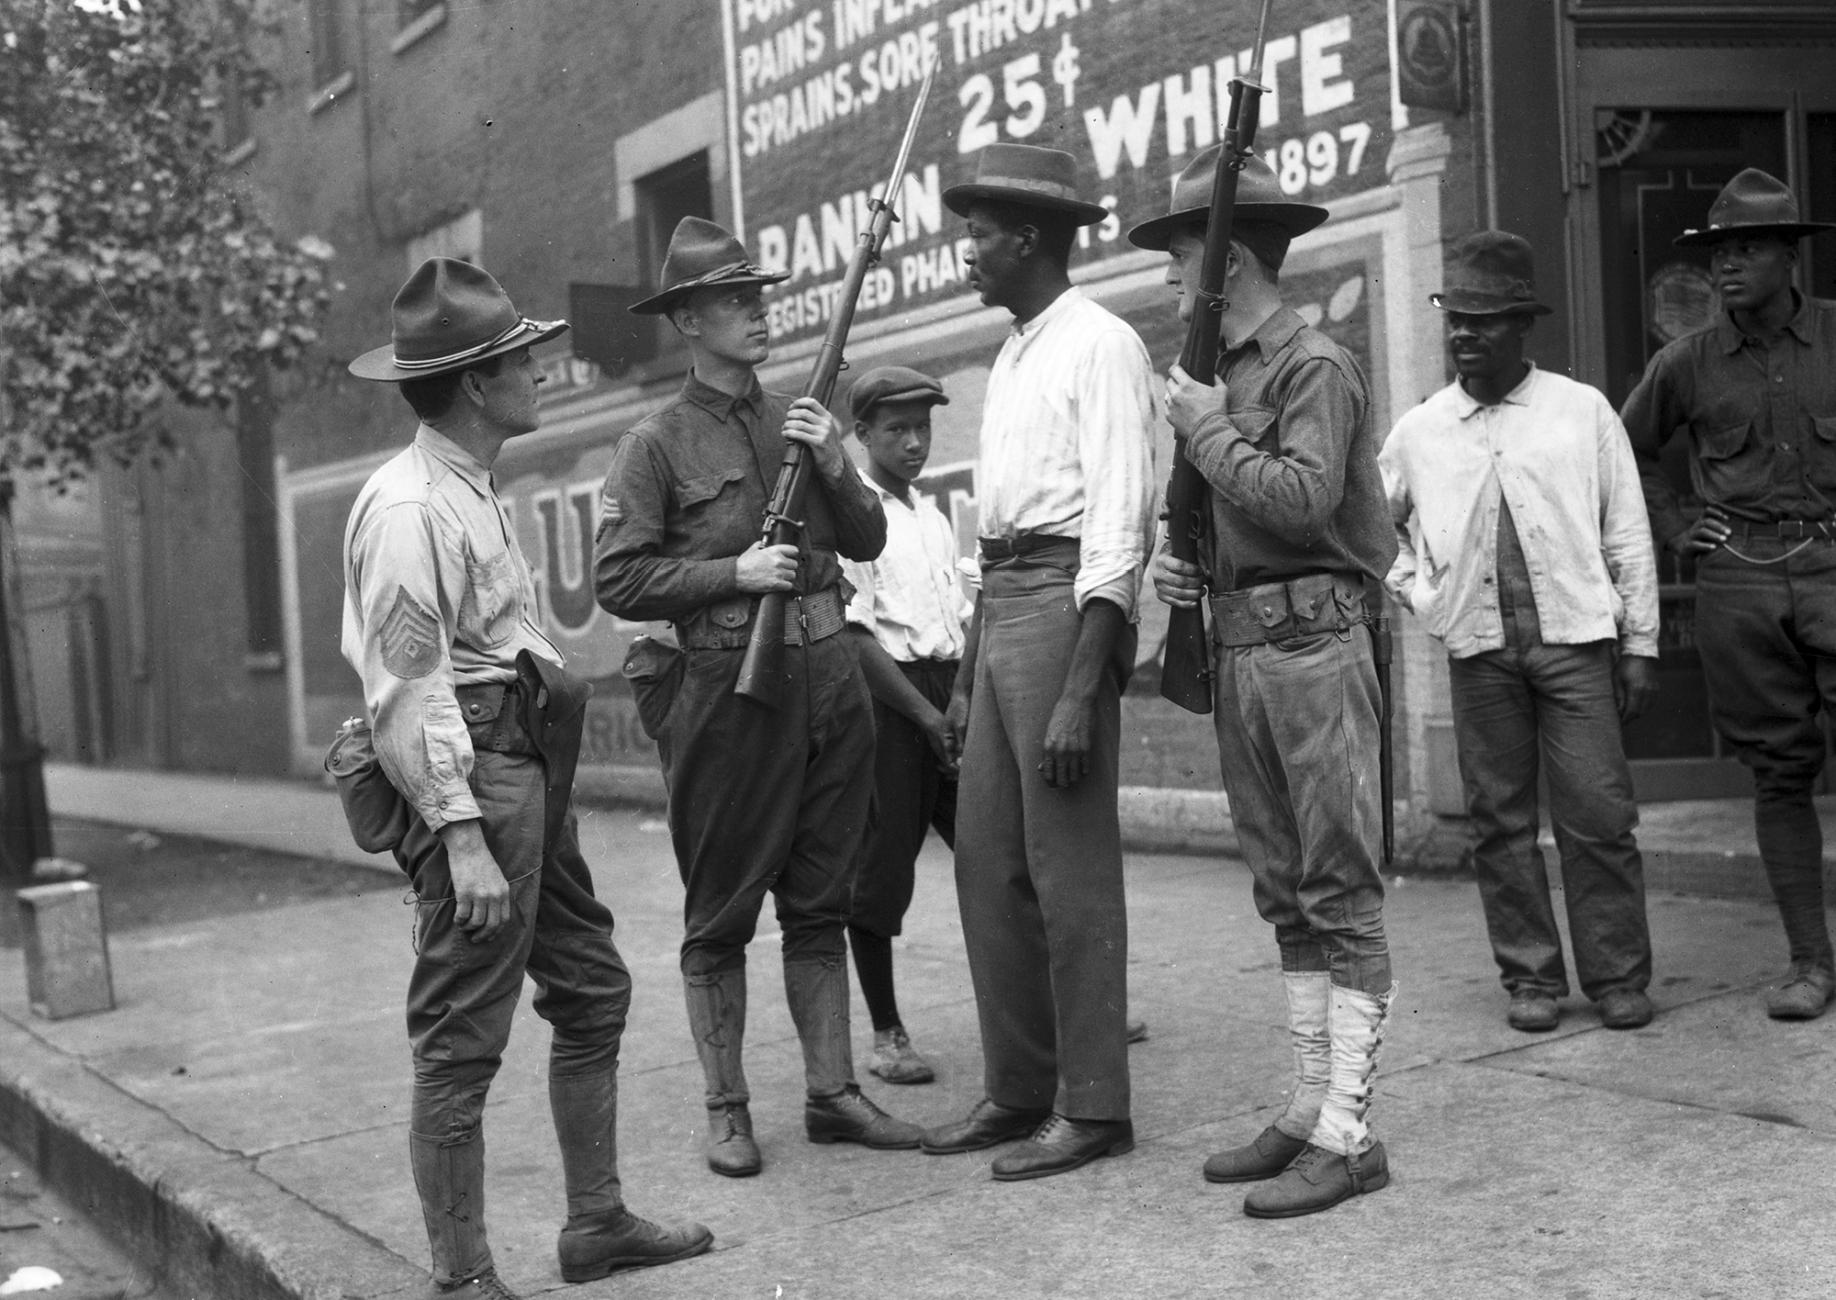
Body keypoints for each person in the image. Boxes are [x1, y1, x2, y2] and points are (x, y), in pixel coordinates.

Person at [340, 258, 710, 1297]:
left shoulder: (465, 486)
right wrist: (460, 837)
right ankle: (462, 1277)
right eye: (520, 359)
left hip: (520, 771)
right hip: (476, 782)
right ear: (473, 383)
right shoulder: (409, 507)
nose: (539, 370)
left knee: (592, 989)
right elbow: (406, 687)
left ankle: (594, 1224)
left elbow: (499, 634)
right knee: (461, 1041)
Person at [593, 217, 923, 1179]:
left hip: (830, 681)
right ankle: (727, 1108)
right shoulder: (653, 444)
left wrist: (828, 459)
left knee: (823, 897)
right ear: (689, 321)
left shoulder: (802, 417)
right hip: (728, 695)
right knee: (723, 907)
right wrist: (731, 572)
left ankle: (832, 1094)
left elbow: (866, 542)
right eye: (734, 300)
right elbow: (621, 580)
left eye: (759, 295)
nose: (757, 311)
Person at [1135, 148, 1397, 1218]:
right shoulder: (1228, 373)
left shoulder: (1311, 367)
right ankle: (1307, 1105)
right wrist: (1180, 557)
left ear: (1227, 261)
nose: (1165, 280)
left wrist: (1201, 425)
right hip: (1246, 646)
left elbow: (1300, 500)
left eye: (1178, 258)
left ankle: (1350, 1132)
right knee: (1284, 887)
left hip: (1313, 647)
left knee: (1339, 885)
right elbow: (1222, 513)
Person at [919, 144, 1158, 1181]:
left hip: (1067, 609)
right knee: (987, 862)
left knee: (1070, 871)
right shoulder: (1017, 351)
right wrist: (973, 660)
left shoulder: (1100, 344)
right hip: (1003, 604)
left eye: (979, 232)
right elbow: (994, 532)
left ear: (1028, 239)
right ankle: (1020, 1088)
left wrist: (1081, 683)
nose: (966, 248)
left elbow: (1119, 520)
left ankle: (1095, 1105)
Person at [1380, 231, 1661, 1035]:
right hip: (1480, 654)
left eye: (1485, 321)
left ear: (1521, 327)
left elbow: (1628, 534)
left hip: (1575, 646)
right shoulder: (1421, 430)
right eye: (1456, 320)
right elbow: (1374, 528)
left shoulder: (1581, 411)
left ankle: (1616, 976)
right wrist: (1421, 594)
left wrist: (1638, 645)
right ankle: (1530, 979)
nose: (1465, 334)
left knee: (1599, 817)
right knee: (1499, 824)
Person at [1621, 169, 1836, 1021]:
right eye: (1716, 254)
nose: (1726, 268)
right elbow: (1624, 451)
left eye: (1746, 248)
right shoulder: (1686, 362)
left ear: (1791, 256)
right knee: (1780, 777)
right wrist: (1676, 525)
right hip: (1740, 584)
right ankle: (1811, 965)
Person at [837, 365, 966, 1086]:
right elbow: (856, 640)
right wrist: (923, 717)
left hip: (946, 695)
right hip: (891, 703)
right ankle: (887, 1033)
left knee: (992, 852)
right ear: (863, 435)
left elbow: (957, 623)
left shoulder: (933, 516)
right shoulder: (856, 520)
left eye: (923, 427)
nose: (914, 442)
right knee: (881, 872)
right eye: (896, 430)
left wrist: (959, 704)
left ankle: (1046, 1000)